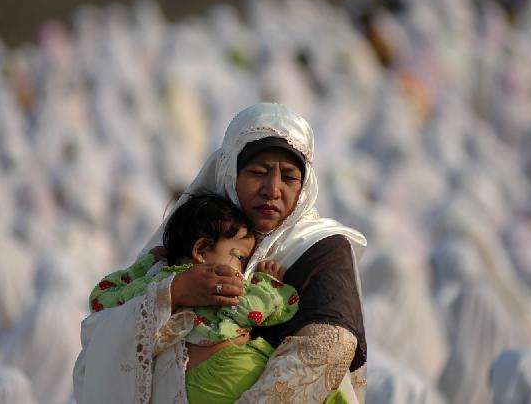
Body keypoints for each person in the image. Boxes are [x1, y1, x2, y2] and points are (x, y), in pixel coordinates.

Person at [73, 102, 367, 403]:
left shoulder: (321, 248)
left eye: (289, 177)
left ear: (304, 185)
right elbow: (103, 331)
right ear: (230, 172)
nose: (272, 189)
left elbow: (327, 349)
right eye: (259, 172)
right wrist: (173, 293)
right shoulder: (199, 231)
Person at [87, 193, 300, 403]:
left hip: (186, 385)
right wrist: (270, 283)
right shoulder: (222, 284)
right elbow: (270, 309)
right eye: (240, 258)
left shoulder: (155, 283)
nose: (244, 271)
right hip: (229, 371)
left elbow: (101, 298)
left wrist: (146, 265)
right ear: (201, 250)